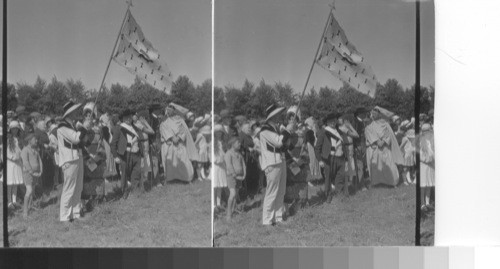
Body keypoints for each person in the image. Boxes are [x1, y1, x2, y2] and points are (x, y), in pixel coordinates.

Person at [259, 104, 293, 225]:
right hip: (272, 163)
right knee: (272, 191)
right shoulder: (265, 130)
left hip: (280, 160)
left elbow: (285, 145)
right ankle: (267, 220)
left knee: (281, 191)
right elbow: (279, 142)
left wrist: (289, 132)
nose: (279, 117)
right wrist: (288, 130)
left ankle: (278, 217)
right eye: (276, 115)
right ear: (271, 117)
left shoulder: (276, 128)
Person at [57, 101, 88, 222]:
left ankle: (75, 212)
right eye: (74, 111)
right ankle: (64, 216)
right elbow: (75, 139)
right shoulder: (62, 126)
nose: (76, 113)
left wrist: (85, 129)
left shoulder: (74, 125)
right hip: (69, 159)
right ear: (69, 113)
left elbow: (82, 141)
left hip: (77, 156)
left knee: (78, 186)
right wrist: (84, 128)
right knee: (69, 187)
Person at [364, 107, 404, 187]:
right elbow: (369, 133)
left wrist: (384, 141)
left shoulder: (385, 124)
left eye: (375, 114)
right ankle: (378, 183)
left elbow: (389, 134)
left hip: (385, 148)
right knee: (378, 166)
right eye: (373, 114)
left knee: (389, 165)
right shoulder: (370, 126)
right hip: (376, 148)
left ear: (379, 114)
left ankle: (393, 182)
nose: (374, 116)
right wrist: (377, 141)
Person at [315, 112, 349, 203]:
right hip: (329, 158)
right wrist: (320, 160)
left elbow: (344, 145)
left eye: (334, 120)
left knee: (340, 176)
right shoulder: (323, 132)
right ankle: (328, 196)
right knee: (328, 178)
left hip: (340, 157)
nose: (333, 122)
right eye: (330, 121)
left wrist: (346, 159)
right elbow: (317, 148)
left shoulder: (340, 132)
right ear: (327, 122)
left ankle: (339, 194)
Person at [159, 105, 199, 182]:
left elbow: (184, 130)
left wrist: (179, 137)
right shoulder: (164, 122)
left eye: (171, 110)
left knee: (184, 160)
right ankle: (172, 178)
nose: (169, 112)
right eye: (168, 110)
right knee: (172, 162)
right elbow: (165, 130)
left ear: (174, 111)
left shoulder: (180, 120)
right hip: (171, 144)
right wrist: (172, 138)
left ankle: (187, 177)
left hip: (180, 143)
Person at [110, 109, 144, 198]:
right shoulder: (119, 128)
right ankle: (125, 192)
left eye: (129, 117)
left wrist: (142, 153)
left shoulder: (135, 128)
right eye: (126, 117)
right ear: (123, 118)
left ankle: (135, 191)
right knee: (124, 175)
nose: (128, 119)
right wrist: (115, 156)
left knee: (136, 173)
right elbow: (113, 144)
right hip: (125, 154)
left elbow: (141, 139)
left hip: (136, 153)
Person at [21, 134, 43, 218]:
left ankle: (30, 206)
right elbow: (25, 162)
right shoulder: (25, 150)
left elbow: (39, 160)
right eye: (34, 139)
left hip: (35, 173)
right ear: (29, 141)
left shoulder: (35, 150)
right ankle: (25, 212)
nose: (36, 141)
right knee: (29, 191)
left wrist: (41, 170)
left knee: (32, 190)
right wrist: (31, 171)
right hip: (28, 173)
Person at [224, 137, 246, 221]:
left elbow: (243, 164)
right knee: (232, 194)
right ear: (232, 144)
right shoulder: (228, 153)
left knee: (236, 194)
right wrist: (234, 174)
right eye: (238, 143)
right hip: (231, 176)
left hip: (239, 176)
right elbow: (229, 165)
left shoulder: (239, 154)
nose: (239, 144)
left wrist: (244, 174)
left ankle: (233, 210)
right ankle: (228, 214)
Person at [5, 121, 24, 209]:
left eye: (16, 129)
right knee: (10, 184)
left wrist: (20, 156)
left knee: (15, 183)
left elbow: (21, 150)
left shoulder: (19, 139)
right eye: (13, 129)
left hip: (17, 163)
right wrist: (12, 157)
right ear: (10, 130)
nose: (15, 130)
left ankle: (14, 200)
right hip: (10, 163)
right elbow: (5, 151)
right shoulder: (8, 139)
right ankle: (9, 202)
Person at [420, 123, 435, 210]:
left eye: (429, 131)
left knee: (429, 184)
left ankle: (428, 202)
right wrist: (427, 159)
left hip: (430, 165)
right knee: (423, 185)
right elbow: (420, 155)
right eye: (425, 131)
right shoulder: (421, 141)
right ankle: (422, 204)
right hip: (424, 165)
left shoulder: (431, 141)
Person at [213, 124, 227, 212]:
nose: (219, 134)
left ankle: (218, 203)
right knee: (215, 185)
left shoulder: (223, 143)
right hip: (216, 166)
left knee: (220, 186)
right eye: (217, 132)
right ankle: (214, 205)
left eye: (220, 132)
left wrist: (224, 159)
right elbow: (212, 155)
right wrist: (217, 160)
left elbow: (224, 153)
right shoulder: (213, 143)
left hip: (222, 166)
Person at [304, 117, 322, 182]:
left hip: (312, 146)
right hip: (311, 147)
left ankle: (316, 175)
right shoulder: (308, 131)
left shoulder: (310, 130)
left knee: (314, 160)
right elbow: (311, 140)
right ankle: (314, 176)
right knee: (313, 160)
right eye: (313, 122)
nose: (314, 123)